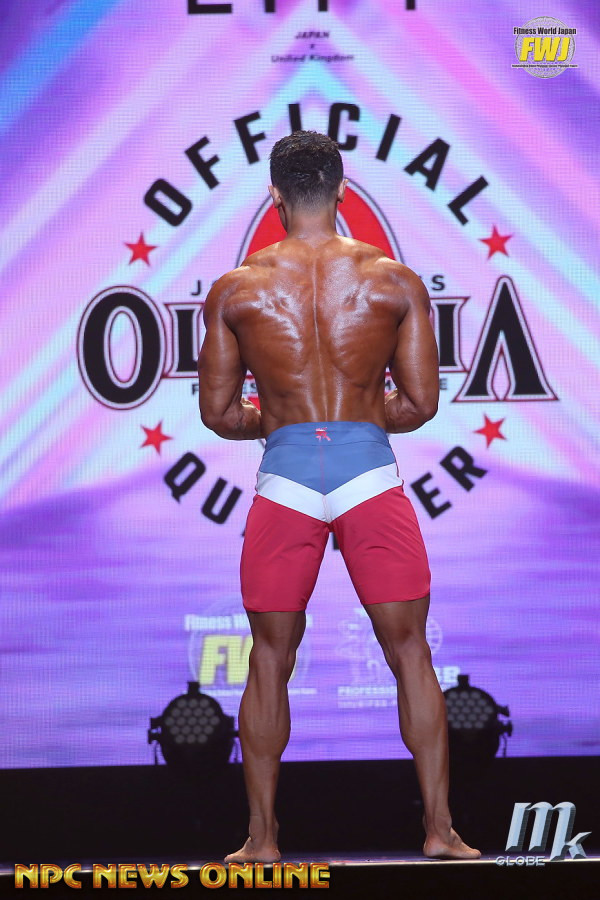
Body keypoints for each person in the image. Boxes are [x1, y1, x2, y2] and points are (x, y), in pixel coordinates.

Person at [197, 131, 481, 862]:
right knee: (410, 650)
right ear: (343, 190)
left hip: (286, 475)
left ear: (274, 195)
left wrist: (287, 422)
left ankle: (262, 839)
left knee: (269, 656)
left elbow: (219, 414)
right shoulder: (393, 281)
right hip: (367, 475)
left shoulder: (236, 289)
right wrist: (350, 419)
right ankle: (439, 831)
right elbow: (419, 404)